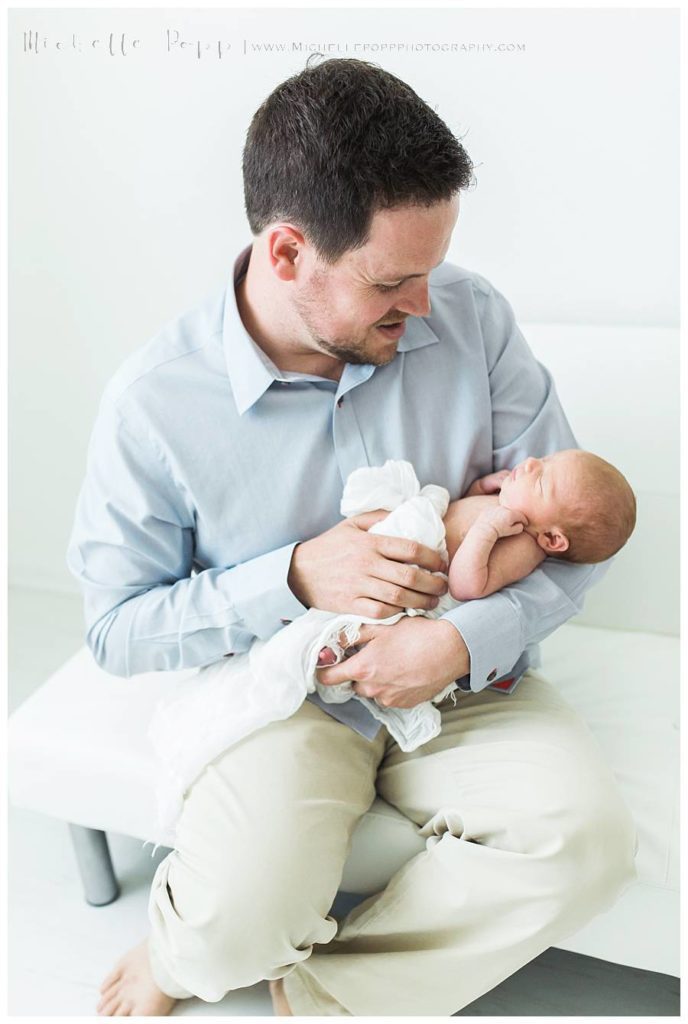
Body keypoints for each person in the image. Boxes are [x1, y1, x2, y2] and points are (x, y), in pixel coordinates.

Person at [66, 57, 637, 1017]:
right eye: (393, 280)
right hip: (290, 691)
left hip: (463, 681)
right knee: (227, 932)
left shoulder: (473, 318)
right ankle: (180, 954)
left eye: (433, 268)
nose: (425, 305)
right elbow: (116, 629)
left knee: (583, 841)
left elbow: (574, 534)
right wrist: (290, 577)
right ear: (287, 253)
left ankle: (327, 997)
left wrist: (454, 641)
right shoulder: (153, 406)